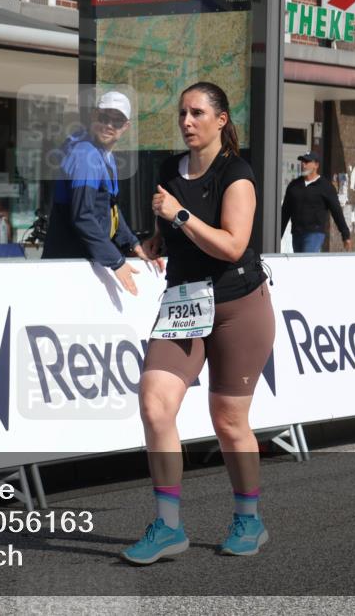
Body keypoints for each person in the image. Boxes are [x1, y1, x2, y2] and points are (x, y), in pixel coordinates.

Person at [122, 82, 275, 564]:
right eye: (182, 113)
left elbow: (232, 245)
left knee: (229, 422)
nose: (187, 122)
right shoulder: (170, 169)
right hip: (184, 304)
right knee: (154, 403)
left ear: (221, 120)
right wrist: (154, 241)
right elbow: (171, 233)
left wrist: (179, 214)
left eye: (197, 113)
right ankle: (168, 526)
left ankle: (249, 519)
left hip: (238, 305)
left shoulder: (238, 174)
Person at [42, 91, 162, 294]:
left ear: (126, 127)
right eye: (104, 117)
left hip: (84, 264)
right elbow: (83, 216)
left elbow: (111, 207)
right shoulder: (85, 154)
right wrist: (116, 260)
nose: (109, 125)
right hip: (70, 266)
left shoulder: (103, 154)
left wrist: (133, 243)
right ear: (93, 116)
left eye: (117, 121)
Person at [280, 151, 351, 253]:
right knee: (299, 265)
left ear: (316, 165)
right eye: (302, 161)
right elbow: (285, 212)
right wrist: (278, 235)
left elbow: (337, 211)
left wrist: (345, 235)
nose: (303, 164)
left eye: (307, 162)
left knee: (306, 262)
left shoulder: (326, 187)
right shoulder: (294, 186)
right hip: (296, 234)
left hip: (314, 233)